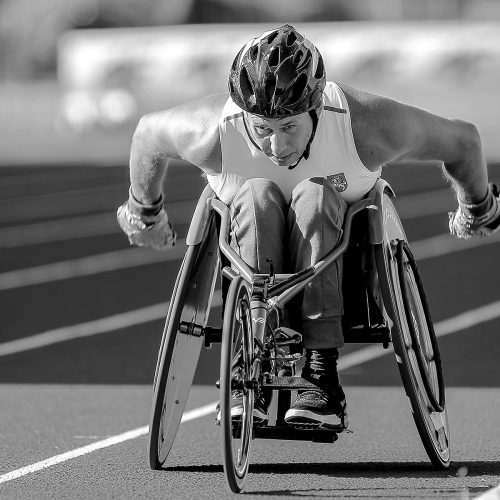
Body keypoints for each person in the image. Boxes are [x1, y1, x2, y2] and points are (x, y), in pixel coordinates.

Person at [117, 24, 500, 430]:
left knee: (315, 195)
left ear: (317, 109)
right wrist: (145, 213)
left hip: (344, 256)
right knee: (256, 193)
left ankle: (320, 374)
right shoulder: (212, 133)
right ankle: (248, 361)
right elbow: (147, 135)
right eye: (262, 128)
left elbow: (463, 141)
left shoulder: (365, 127)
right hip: (248, 249)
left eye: (289, 128)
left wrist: (478, 208)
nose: (276, 147)